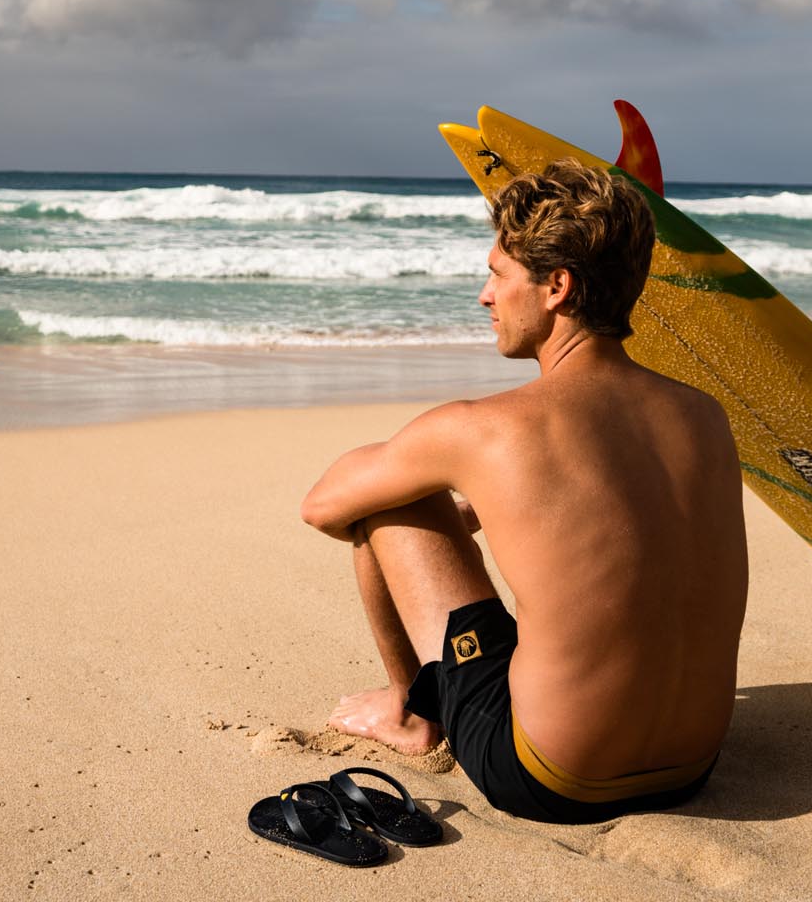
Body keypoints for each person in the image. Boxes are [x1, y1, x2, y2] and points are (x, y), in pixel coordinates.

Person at [300, 159, 747, 824]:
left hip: (551, 779)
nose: (485, 295)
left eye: (498, 274)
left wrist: (449, 485)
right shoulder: (705, 415)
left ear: (556, 288)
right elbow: (622, 511)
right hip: (694, 768)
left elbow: (325, 506)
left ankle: (410, 714)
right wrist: (488, 501)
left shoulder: (486, 429)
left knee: (393, 498)